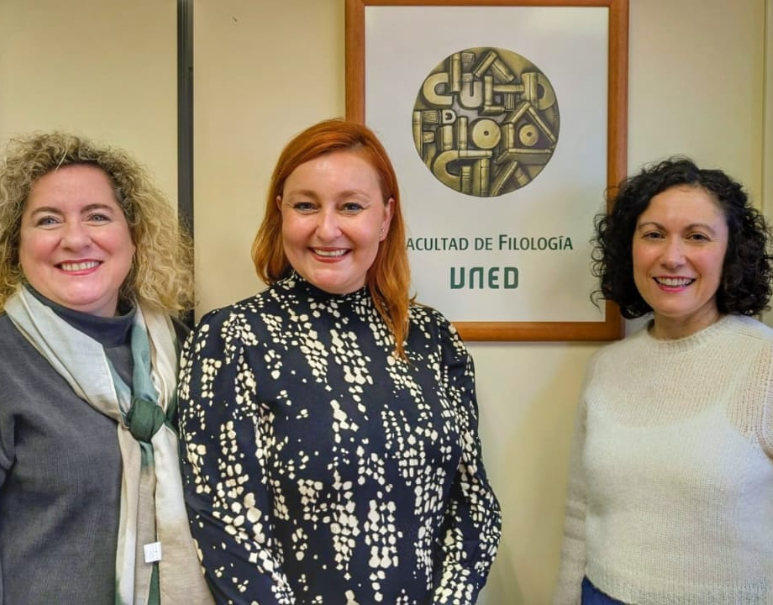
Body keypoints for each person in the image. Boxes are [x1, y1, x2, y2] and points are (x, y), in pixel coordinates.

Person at [178, 118, 502, 605]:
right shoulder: (233, 339)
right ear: (281, 212)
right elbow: (229, 529)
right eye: (306, 205)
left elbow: (474, 504)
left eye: (351, 206)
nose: (327, 229)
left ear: (386, 218)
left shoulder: (434, 338)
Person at [0, 132, 213, 605]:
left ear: (134, 237)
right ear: (13, 243)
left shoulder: (187, 352)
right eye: (48, 220)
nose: (75, 239)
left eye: (97, 216)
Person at [553, 157, 773, 604]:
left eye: (697, 237)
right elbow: (581, 511)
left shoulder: (764, 364)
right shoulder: (606, 367)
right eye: (653, 235)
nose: (672, 256)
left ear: (731, 252)